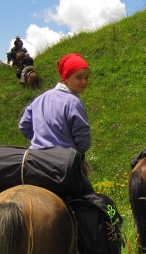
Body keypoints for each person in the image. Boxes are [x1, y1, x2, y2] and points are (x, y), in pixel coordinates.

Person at [19, 52, 94, 195]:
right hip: (63, 166)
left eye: (86, 77)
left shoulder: (40, 99)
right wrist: (72, 153)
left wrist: (40, 139)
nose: (84, 82)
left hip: (35, 163)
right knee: (94, 205)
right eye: (79, 77)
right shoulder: (73, 102)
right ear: (65, 78)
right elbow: (84, 142)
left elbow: (23, 126)